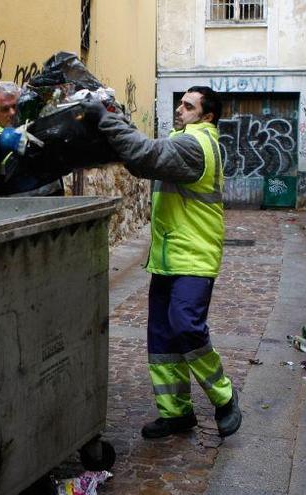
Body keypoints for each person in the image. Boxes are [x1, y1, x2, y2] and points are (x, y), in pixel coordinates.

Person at [82, 86, 242, 439]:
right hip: (169, 256)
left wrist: (107, 119)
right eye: (180, 104)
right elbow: (141, 162)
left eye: (188, 106)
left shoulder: (195, 145)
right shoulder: (180, 141)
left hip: (194, 256)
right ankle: (176, 413)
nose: (179, 110)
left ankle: (224, 397)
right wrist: (115, 124)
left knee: (186, 326)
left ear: (207, 116)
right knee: (162, 337)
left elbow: (147, 152)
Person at [0, 81, 64, 197]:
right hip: (17, 212)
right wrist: (2, 142)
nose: (12, 113)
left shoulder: (39, 127)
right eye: (5, 109)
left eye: (15, 106)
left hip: (57, 209)